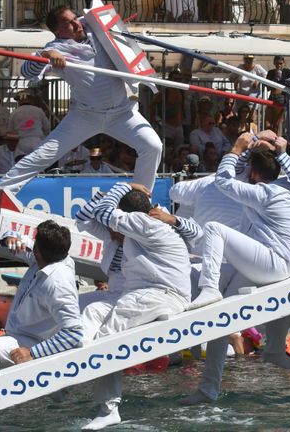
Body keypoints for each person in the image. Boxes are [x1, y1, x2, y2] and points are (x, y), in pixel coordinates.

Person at [179, 131, 290, 406]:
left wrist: (237, 148)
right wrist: (281, 154)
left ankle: (208, 288)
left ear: (252, 173)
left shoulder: (265, 193)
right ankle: (209, 388)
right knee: (221, 315)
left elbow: (223, 183)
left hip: (273, 263)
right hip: (268, 262)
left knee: (215, 229)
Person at [0, 5, 162, 195]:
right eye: (68, 23)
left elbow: (109, 21)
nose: (76, 24)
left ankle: (140, 200)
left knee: (153, 146)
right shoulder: (55, 48)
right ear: (58, 31)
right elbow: (26, 72)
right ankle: (0, 193)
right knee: (43, 155)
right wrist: (46, 56)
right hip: (86, 115)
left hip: (123, 112)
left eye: (75, 18)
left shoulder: (94, 25)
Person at [75, 183, 192, 430]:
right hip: (144, 294)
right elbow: (92, 217)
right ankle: (72, 365)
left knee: (108, 333)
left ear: (130, 215)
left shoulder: (146, 223)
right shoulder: (141, 227)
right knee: (92, 311)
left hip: (164, 295)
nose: (115, 227)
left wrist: (122, 186)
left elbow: (104, 212)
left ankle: (109, 409)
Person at [0, 220, 83, 389]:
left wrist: (32, 352)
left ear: (38, 251)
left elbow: (73, 333)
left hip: (35, 342)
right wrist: (8, 238)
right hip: (15, 336)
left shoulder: (58, 283)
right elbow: (14, 238)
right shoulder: (46, 256)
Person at [7, 91, 50, 156]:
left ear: (19, 101)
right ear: (30, 100)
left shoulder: (14, 113)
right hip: (37, 141)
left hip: (21, 143)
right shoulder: (39, 111)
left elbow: (10, 131)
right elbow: (47, 128)